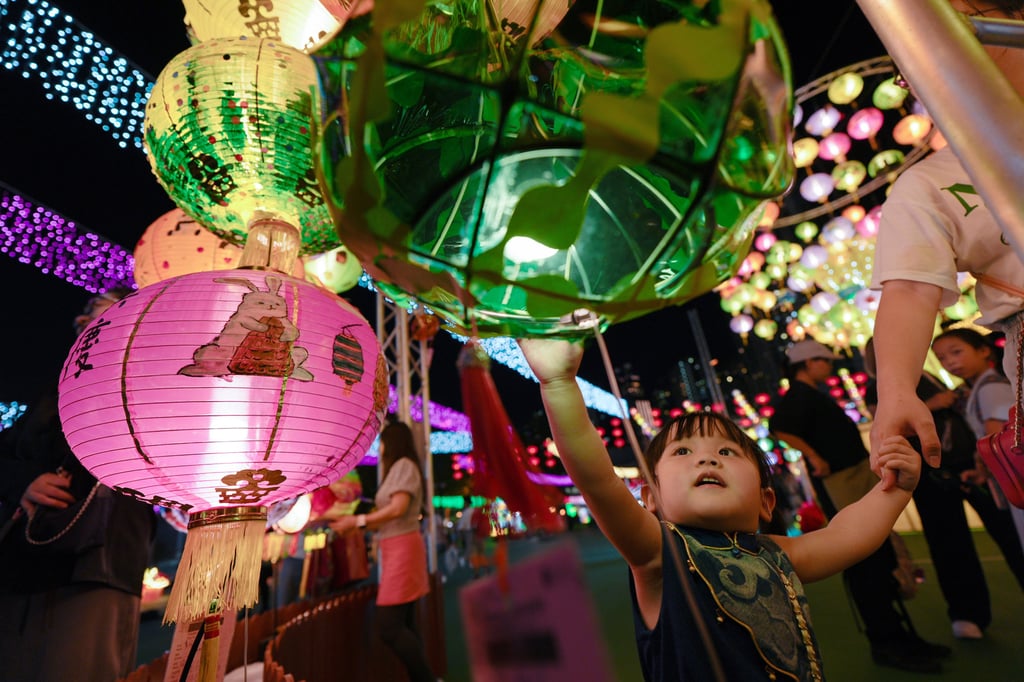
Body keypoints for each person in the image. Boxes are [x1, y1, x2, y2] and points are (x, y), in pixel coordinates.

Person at [519, 337, 923, 681]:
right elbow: (598, 481)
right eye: (682, 451)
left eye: (727, 452)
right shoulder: (660, 553)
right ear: (651, 499)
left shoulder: (778, 553)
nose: (706, 460)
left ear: (767, 501)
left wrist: (895, 489)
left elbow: (845, 534)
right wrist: (557, 382)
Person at [869, 0, 1024, 486]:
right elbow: (910, 290)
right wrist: (895, 391)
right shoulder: (929, 184)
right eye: (908, 61)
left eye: (962, 31)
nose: (931, 62)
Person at [0, 287, 157, 682]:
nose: (86, 322)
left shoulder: (153, 388)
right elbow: (8, 453)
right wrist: (26, 481)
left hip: (99, 564)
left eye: (103, 315)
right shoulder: (53, 391)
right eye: (86, 315)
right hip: (24, 558)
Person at [769, 339, 948, 673]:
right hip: (842, 482)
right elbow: (779, 427)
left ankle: (900, 636)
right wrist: (815, 457)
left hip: (852, 477)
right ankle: (888, 641)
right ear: (807, 364)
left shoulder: (810, 394)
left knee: (877, 553)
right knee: (865, 557)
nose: (829, 365)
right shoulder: (798, 395)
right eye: (823, 360)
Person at [864, 334, 1024, 640]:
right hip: (930, 477)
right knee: (950, 545)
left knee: (1009, 532)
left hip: (970, 470)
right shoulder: (881, 385)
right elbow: (881, 422)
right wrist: (934, 403)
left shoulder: (931, 376)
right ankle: (966, 614)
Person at [330, 420, 434, 682]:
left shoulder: (403, 466)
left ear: (392, 442)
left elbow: (398, 508)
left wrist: (360, 522)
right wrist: (359, 526)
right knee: (404, 622)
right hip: (396, 546)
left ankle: (427, 679)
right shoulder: (401, 468)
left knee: (389, 627)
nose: (380, 448)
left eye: (382, 441)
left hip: (402, 547)